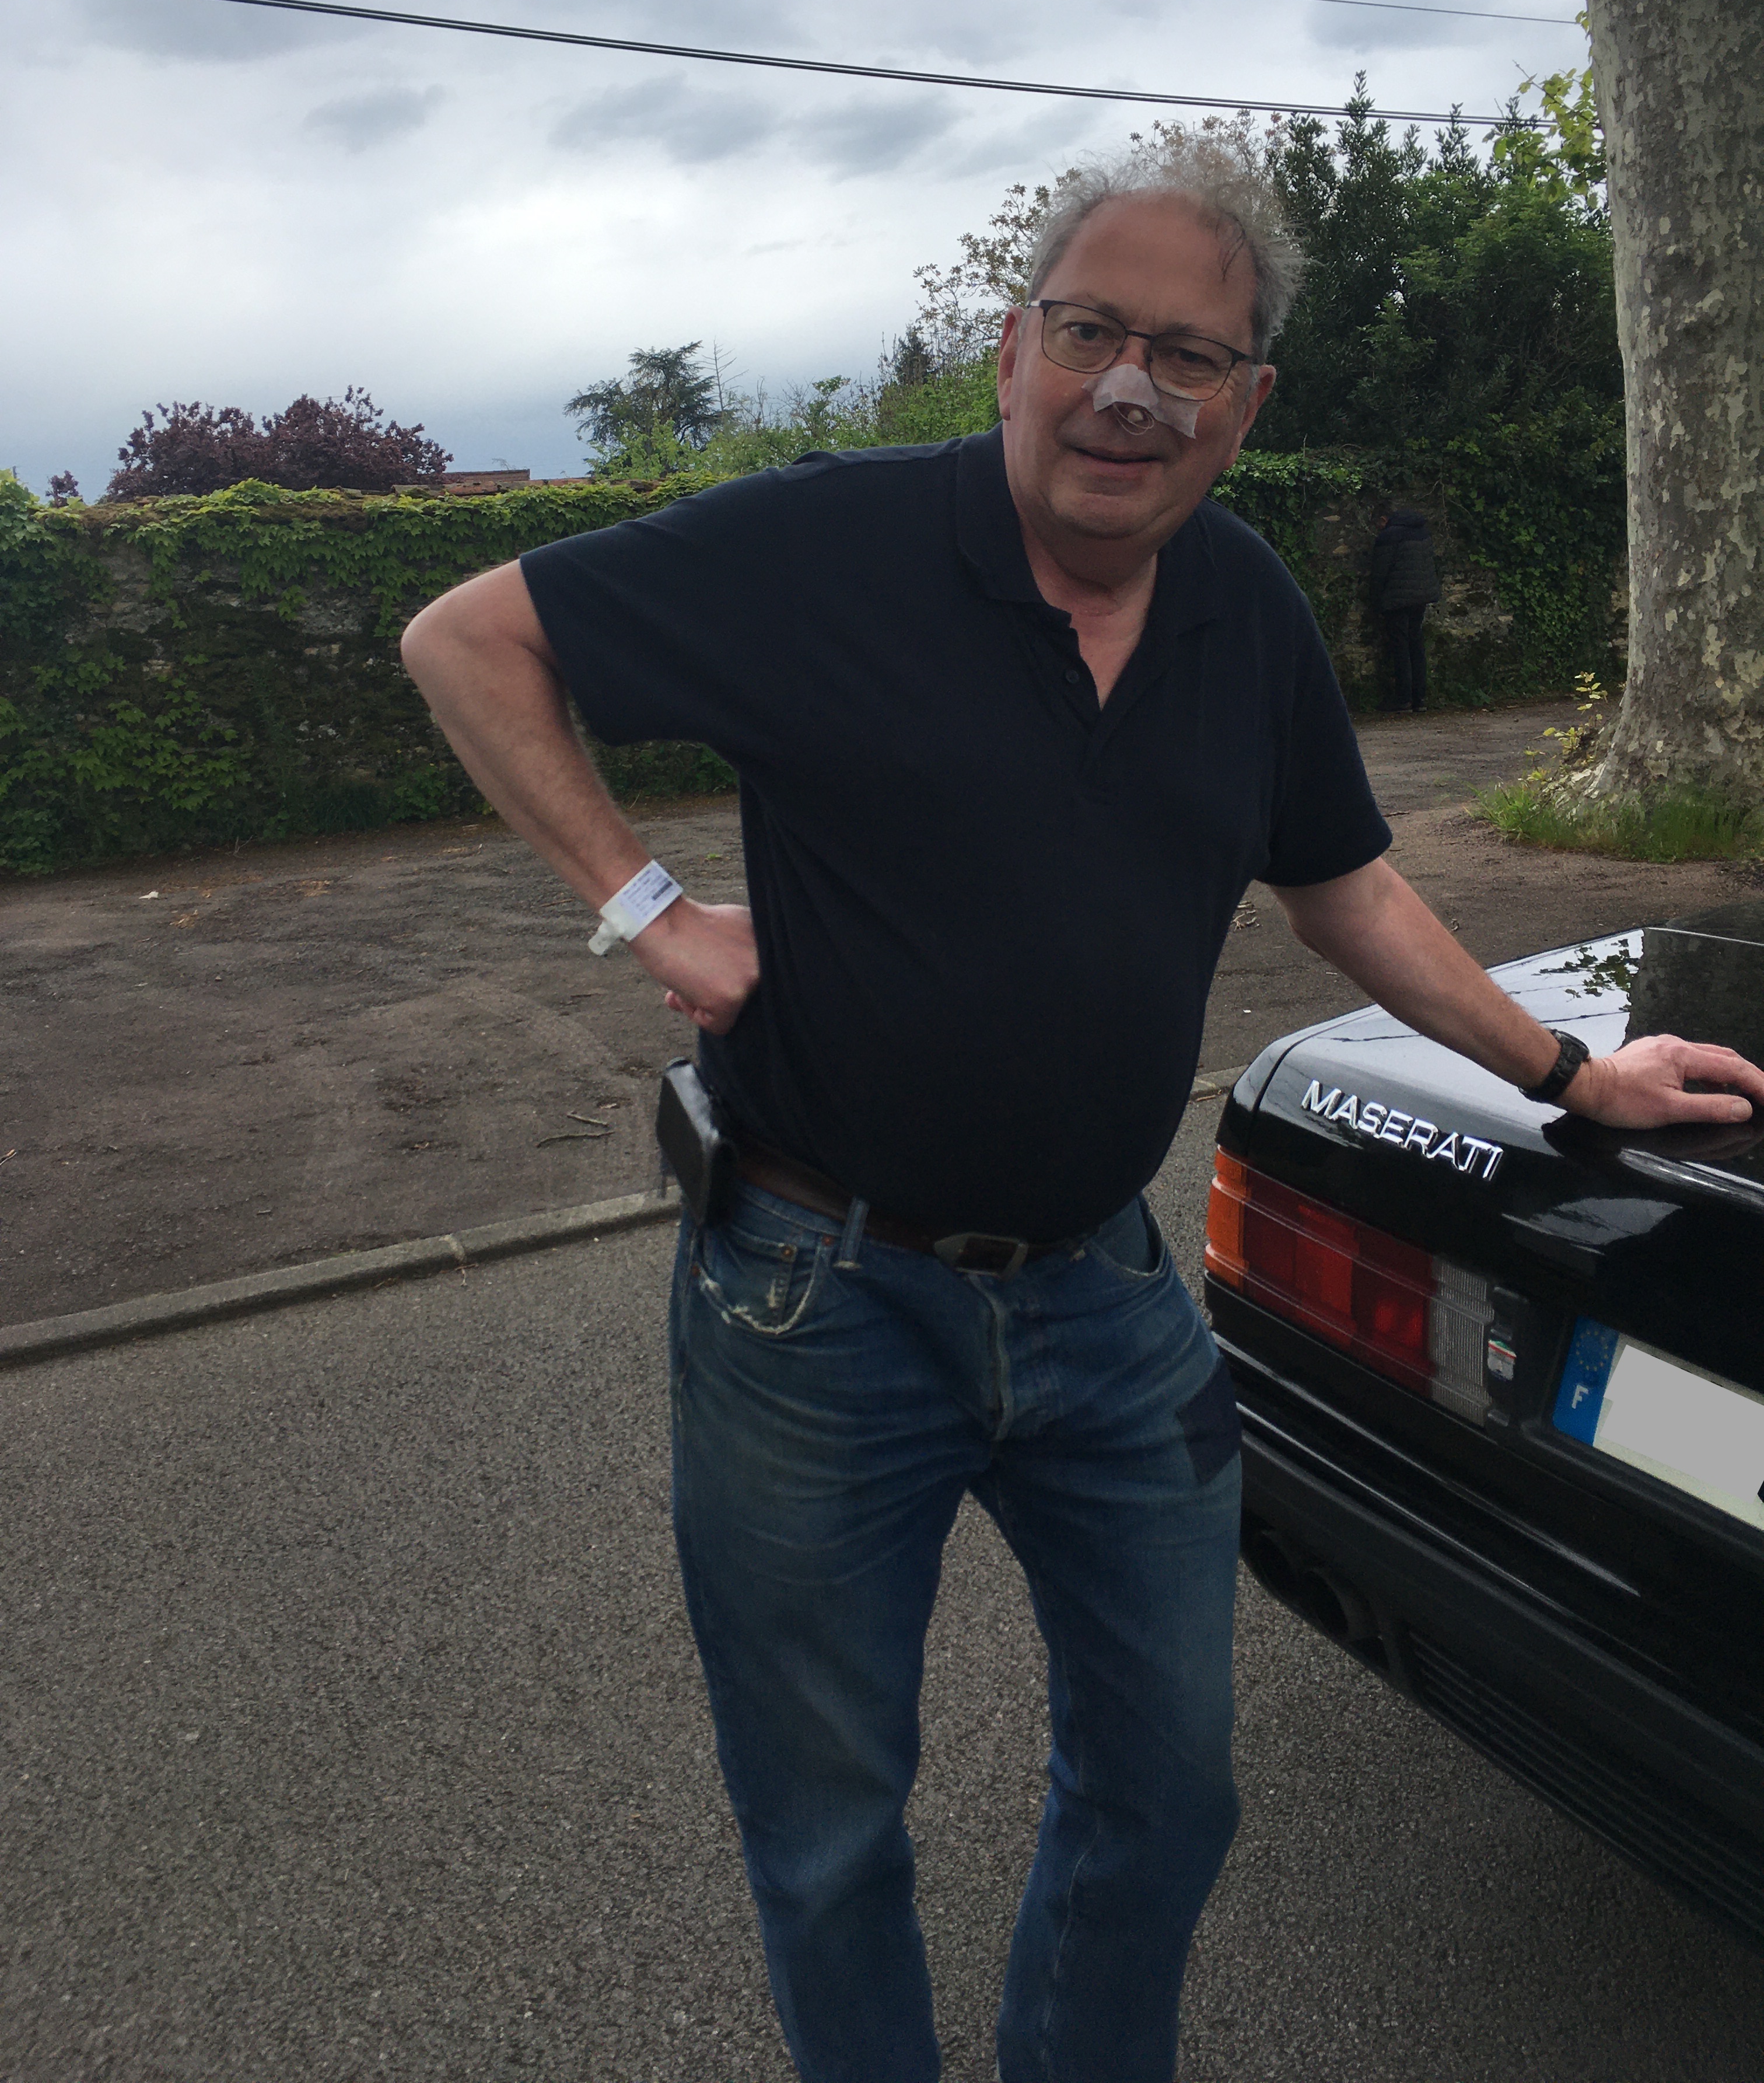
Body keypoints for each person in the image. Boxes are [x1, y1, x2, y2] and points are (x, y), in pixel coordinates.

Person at [400, 143, 1763, 2083]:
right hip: (813, 1299)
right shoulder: (827, 546)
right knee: (828, 1836)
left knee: (1169, 1791)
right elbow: (467, 641)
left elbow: (1344, 889)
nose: (1132, 387)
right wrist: (651, 911)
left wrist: (1573, 1073)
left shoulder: (1243, 607)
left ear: (1244, 405)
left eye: (1188, 355)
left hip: (1104, 1304)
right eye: (1092, 332)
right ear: (1011, 350)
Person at [1371, 501, 1440, 714]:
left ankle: (1403, 698)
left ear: (1384, 520)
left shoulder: (1389, 537)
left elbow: (1380, 572)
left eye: (1378, 525)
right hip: (1422, 596)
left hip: (1397, 598)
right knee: (1416, 643)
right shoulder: (1422, 531)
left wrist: (1376, 600)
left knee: (1400, 647)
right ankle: (1420, 698)